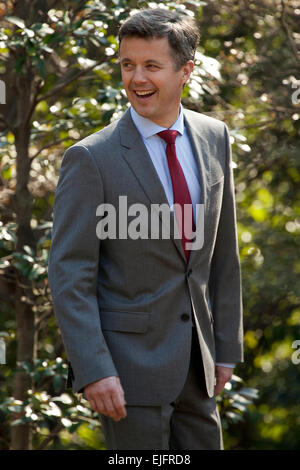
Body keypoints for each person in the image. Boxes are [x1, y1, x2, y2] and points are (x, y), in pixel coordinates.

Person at [48, 8, 243, 450]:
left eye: (151, 66)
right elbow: (70, 275)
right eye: (127, 65)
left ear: (185, 70)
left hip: (201, 368)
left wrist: (227, 348)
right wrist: (94, 368)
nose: (136, 78)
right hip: (126, 374)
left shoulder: (215, 136)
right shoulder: (91, 158)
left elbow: (222, 254)